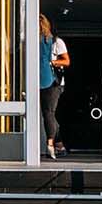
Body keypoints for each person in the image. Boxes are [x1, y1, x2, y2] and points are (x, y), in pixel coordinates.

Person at [38, 14, 70, 159]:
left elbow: (67, 61)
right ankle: (59, 144)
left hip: (52, 82)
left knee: (48, 113)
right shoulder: (34, 42)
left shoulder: (56, 42)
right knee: (48, 114)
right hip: (38, 80)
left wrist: (53, 62)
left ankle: (51, 143)